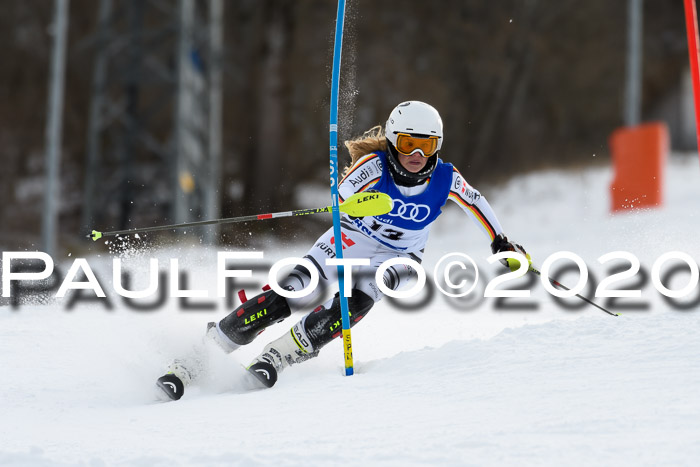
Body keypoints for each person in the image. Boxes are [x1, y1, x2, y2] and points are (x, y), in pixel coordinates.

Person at [156, 101, 529, 400]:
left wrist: (499, 241)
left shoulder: (445, 177)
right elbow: (343, 197)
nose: (416, 154)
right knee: (292, 291)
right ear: (394, 141)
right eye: (407, 143)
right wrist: (355, 202)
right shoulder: (373, 165)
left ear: (437, 147)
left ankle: (282, 353)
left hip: (399, 258)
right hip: (352, 237)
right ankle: (199, 356)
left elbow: (476, 202)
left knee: (357, 301)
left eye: (426, 145)